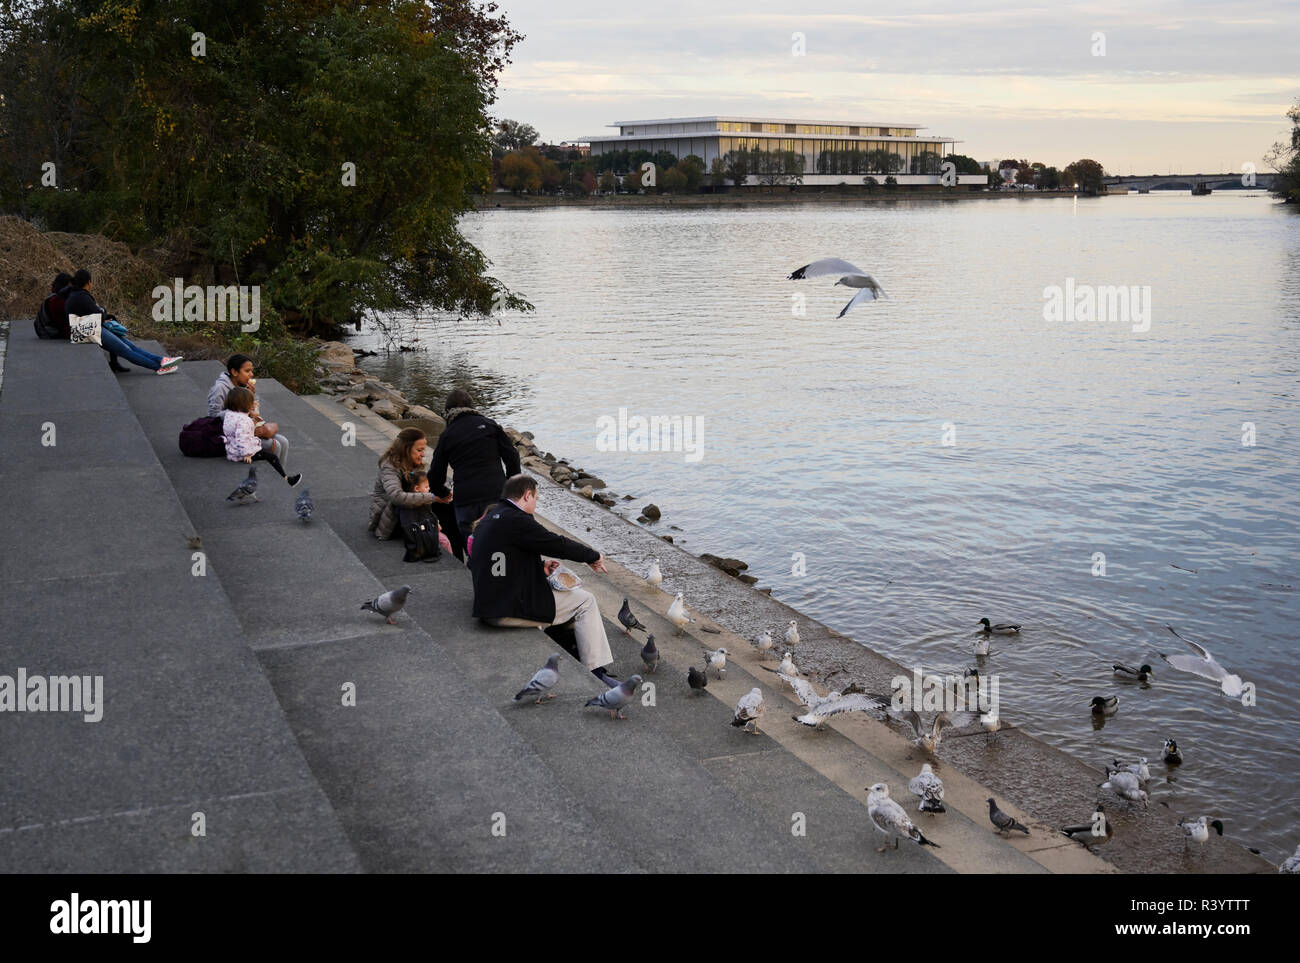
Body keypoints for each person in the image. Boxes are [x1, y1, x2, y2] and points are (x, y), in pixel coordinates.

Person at [469, 474, 616, 683]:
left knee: (561, 595)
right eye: (536, 498)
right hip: (506, 609)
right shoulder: (517, 520)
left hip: (489, 604)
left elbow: (501, 560)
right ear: (527, 495)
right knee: (585, 600)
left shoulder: (491, 518)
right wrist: (592, 556)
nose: (536, 504)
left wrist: (540, 566)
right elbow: (556, 543)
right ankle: (596, 671)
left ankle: (573, 650)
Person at [428, 389, 521, 545]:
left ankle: (477, 566)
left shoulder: (447, 435)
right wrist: (510, 484)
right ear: (472, 406)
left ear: (447, 411)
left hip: (466, 498)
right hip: (496, 493)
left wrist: (443, 493)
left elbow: (435, 474)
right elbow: (512, 457)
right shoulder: (490, 425)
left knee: (473, 545)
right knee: (499, 541)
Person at [61, 269, 183, 374]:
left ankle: (161, 360)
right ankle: (158, 367)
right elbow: (99, 314)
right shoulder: (81, 296)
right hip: (87, 331)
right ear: (88, 282)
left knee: (130, 346)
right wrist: (102, 309)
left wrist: (101, 313)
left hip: (88, 328)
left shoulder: (75, 295)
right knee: (126, 350)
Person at [207, 354, 289, 464]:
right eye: (247, 371)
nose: (251, 374)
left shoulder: (244, 385)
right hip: (233, 436)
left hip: (247, 429)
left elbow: (253, 410)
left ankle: (282, 478)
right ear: (235, 372)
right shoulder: (220, 388)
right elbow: (213, 416)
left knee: (283, 441)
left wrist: (252, 395)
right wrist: (238, 410)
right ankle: (270, 477)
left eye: (251, 370)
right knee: (275, 445)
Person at [223, 387, 302, 486]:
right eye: (251, 402)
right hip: (241, 453)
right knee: (272, 458)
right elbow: (241, 439)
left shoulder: (230, 415)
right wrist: (246, 454)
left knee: (272, 454)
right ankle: (285, 480)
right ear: (243, 404)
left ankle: (283, 478)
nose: (253, 404)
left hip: (232, 448)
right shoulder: (244, 420)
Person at [369, 427, 437, 541]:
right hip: (387, 521)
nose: (423, 454)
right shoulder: (389, 467)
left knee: (448, 506)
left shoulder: (413, 464)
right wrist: (433, 497)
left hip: (403, 515)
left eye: (423, 450)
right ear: (406, 449)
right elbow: (397, 498)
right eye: (419, 450)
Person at [400, 471, 454, 563]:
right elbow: (424, 518)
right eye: (426, 487)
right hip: (420, 533)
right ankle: (451, 560)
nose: (429, 489)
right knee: (444, 540)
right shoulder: (420, 502)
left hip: (419, 531)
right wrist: (435, 525)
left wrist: (436, 522)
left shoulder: (419, 500)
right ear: (417, 488)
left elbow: (429, 515)